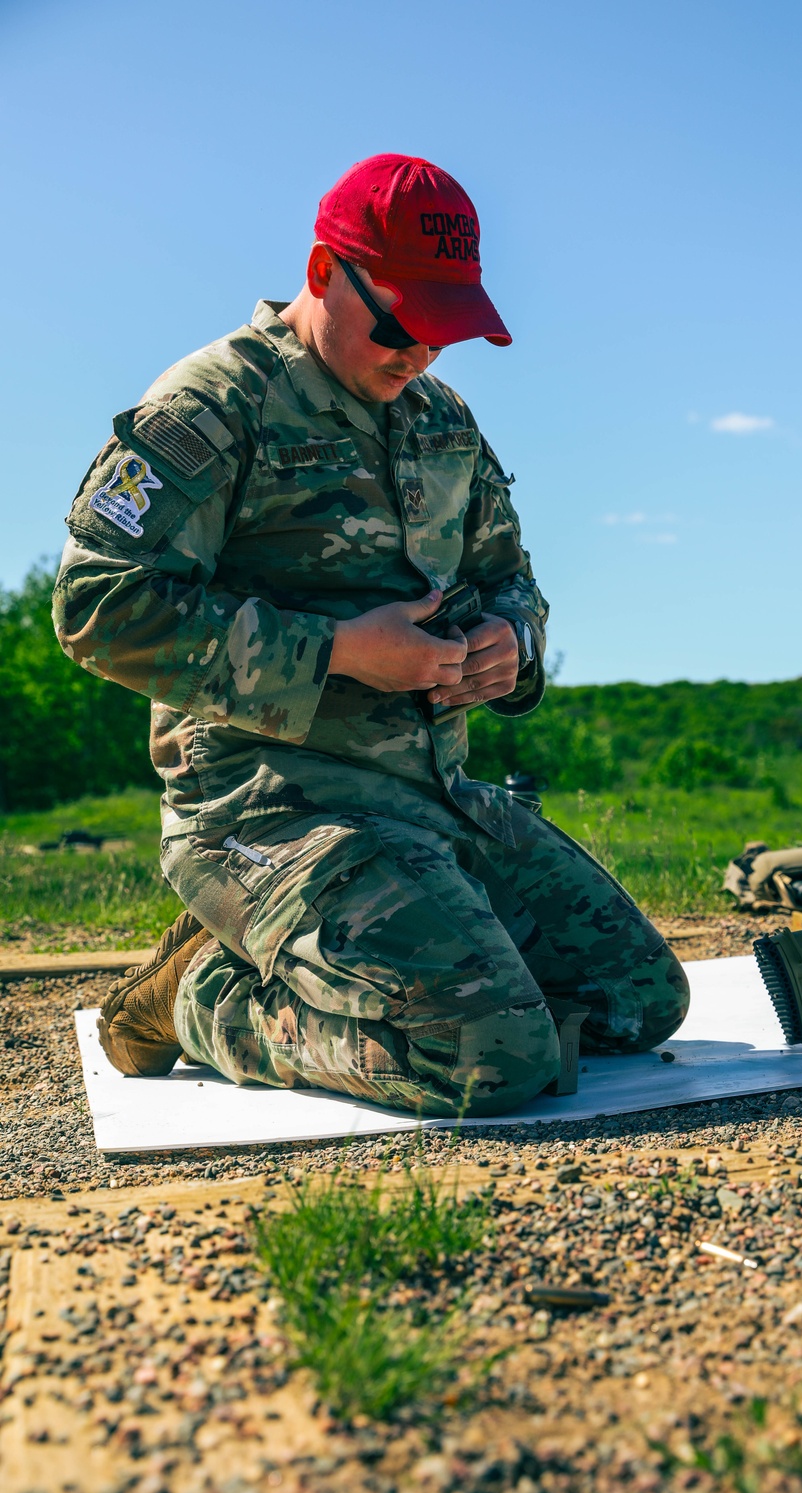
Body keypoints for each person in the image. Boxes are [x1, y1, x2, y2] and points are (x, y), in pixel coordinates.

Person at [53, 153, 689, 1116]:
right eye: (401, 325)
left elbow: (509, 578)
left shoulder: (441, 420)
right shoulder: (211, 409)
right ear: (322, 274)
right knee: (491, 1061)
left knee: (639, 1001)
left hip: (435, 800)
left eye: (443, 334)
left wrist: (509, 645)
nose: (419, 356)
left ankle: (350, 964)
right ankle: (201, 996)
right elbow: (97, 605)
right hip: (272, 817)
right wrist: (340, 651)